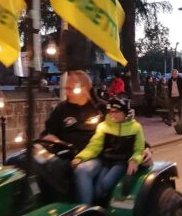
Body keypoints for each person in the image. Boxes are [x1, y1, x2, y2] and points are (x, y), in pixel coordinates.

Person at [42, 71, 151, 203]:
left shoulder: (101, 109)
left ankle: (85, 213)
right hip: (64, 154)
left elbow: (125, 129)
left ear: (83, 89)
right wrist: (49, 137)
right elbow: (48, 131)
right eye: (65, 88)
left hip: (96, 157)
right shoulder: (61, 109)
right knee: (40, 165)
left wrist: (145, 148)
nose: (66, 92)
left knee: (81, 170)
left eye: (70, 89)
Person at [71, 97, 145, 204]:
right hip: (106, 161)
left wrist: (134, 160)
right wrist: (80, 157)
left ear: (125, 113)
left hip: (121, 162)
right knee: (97, 187)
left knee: (105, 183)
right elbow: (94, 145)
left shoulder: (136, 127)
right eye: (111, 112)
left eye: (116, 112)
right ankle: (88, 209)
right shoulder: (103, 126)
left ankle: (99, 205)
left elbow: (139, 149)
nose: (112, 115)